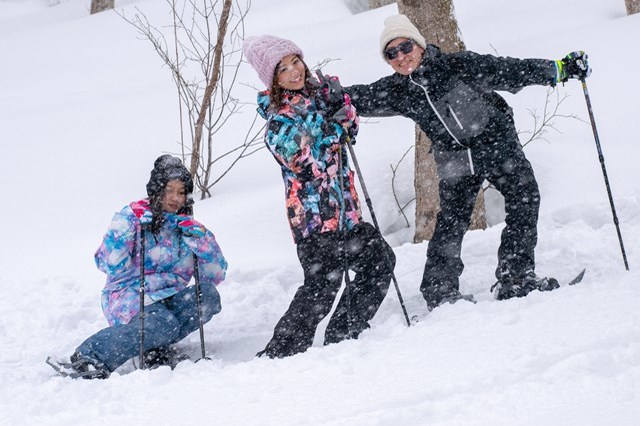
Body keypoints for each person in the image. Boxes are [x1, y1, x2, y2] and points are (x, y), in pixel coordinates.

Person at [343, 15, 591, 310]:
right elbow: (358, 97)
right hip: (455, 158)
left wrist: (558, 70)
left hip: (496, 144)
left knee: (525, 199)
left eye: (405, 46)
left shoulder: (458, 66)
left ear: (419, 45)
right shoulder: (399, 91)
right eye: (391, 53)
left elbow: (511, 71)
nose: (401, 56)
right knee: (452, 220)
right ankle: (440, 291)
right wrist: (328, 98)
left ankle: (516, 278)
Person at [242, 35, 396, 358]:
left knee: (380, 262)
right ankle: (279, 353)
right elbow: (308, 164)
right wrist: (334, 126)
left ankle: (344, 332)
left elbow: (350, 131)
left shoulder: (320, 98)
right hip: (314, 223)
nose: (294, 72)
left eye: (295, 62)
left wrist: (344, 108)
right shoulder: (278, 121)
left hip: (347, 214)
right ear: (274, 80)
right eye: (283, 69)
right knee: (322, 289)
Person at [50, 155, 227, 378]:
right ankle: (90, 356)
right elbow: (107, 264)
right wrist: (126, 229)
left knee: (208, 297)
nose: (175, 198)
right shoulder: (133, 217)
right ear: (156, 190)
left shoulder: (187, 226)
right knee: (163, 322)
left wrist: (203, 241)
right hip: (130, 295)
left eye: (181, 192)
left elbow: (215, 276)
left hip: (170, 298)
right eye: (169, 190)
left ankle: (153, 345)